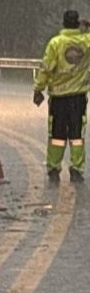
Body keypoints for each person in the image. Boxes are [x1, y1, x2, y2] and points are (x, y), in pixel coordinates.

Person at [33, 10, 90, 181]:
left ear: (63, 23)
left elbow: (46, 68)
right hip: (78, 98)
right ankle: (77, 168)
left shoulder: (55, 43)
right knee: (77, 135)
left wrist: (38, 89)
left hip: (58, 98)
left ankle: (53, 168)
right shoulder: (86, 42)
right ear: (78, 23)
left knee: (56, 134)